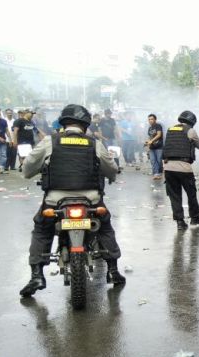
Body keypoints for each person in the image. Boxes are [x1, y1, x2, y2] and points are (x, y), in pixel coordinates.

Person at [19, 104, 125, 297]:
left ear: (63, 123)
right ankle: (113, 270)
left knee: (42, 230)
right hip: (91, 200)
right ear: (85, 125)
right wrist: (110, 173)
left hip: (55, 201)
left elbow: (27, 170)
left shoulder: (50, 141)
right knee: (105, 227)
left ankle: (36, 275)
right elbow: (111, 169)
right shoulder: (94, 143)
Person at [162, 111, 199, 231]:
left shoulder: (170, 129)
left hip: (169, 168)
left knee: (174, 196)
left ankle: (180, 222)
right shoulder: (190, 131)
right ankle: (195, 218)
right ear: (192, 121)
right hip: (184, 168)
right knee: (191, 194)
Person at [145, 114, 164, 180]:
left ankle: (160, 173)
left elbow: (159, 135)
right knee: (153, 160)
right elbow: (150, 137)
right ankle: (156, 174)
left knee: (159, 160)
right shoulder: (150, 128)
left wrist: (151, 141)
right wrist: (147, 142)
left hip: (159, 146)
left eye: (152, 119)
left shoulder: (158, 126)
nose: (150, 120)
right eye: (149, 119)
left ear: (155, 120)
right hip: (151, 147)